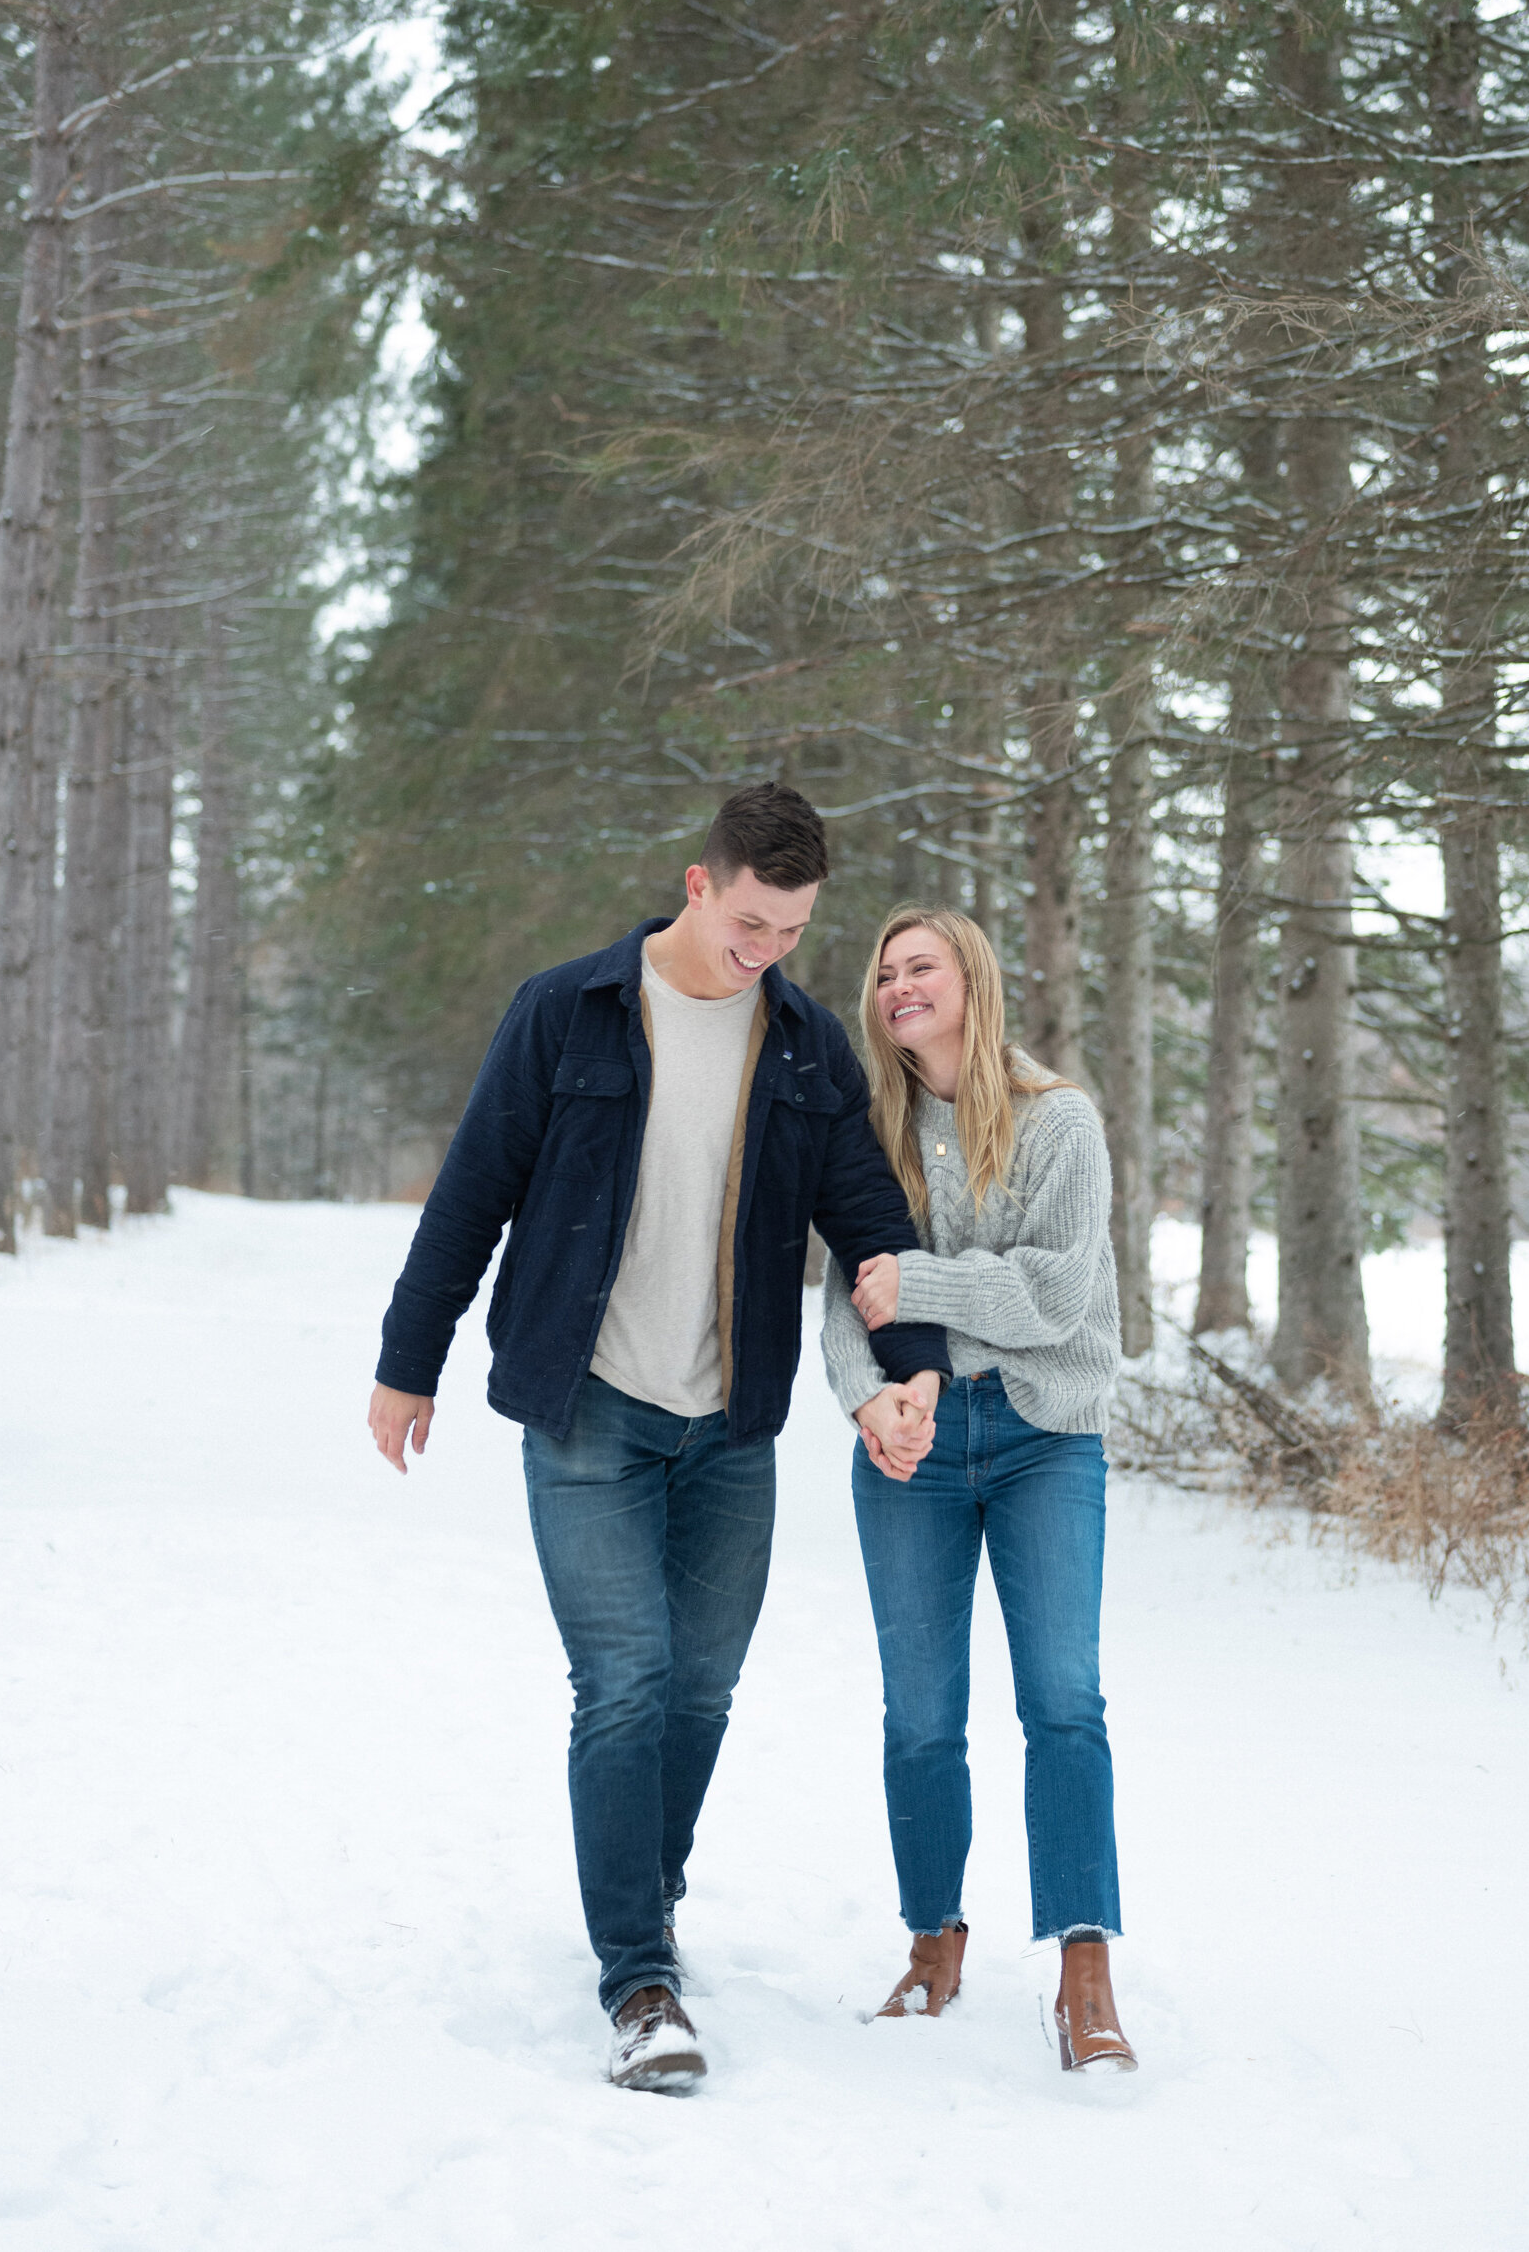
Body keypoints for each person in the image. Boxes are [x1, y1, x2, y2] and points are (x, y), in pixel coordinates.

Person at [367, 785, 948, 2095]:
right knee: (624, 1678)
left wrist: (915, 1369)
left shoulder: (804, 1048)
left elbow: (871, 1223)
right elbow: (472, 1194)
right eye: (751, 920)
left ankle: (644, 1880)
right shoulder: (566, 1011)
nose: (768, 949)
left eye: (793, 930)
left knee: (699, 1687)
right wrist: (410, 1361)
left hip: (729, 1426)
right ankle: (640, 1979)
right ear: (700, 883)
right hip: (590, 1409)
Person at [821, 904, 1137, 2073]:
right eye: (884, 971)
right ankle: (932, 1941)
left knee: (1062, 1702)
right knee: (918, 1715)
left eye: (922, 966)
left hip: (1044, 1435)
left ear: (971, 981)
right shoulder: (868, 1130)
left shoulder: (1058, 1122)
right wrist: (869, 1402)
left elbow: (1055, 1296)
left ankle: (1083, 1969)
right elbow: (842, 1299)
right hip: (912, 1442)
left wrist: (918, 1285)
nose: (899, 984)